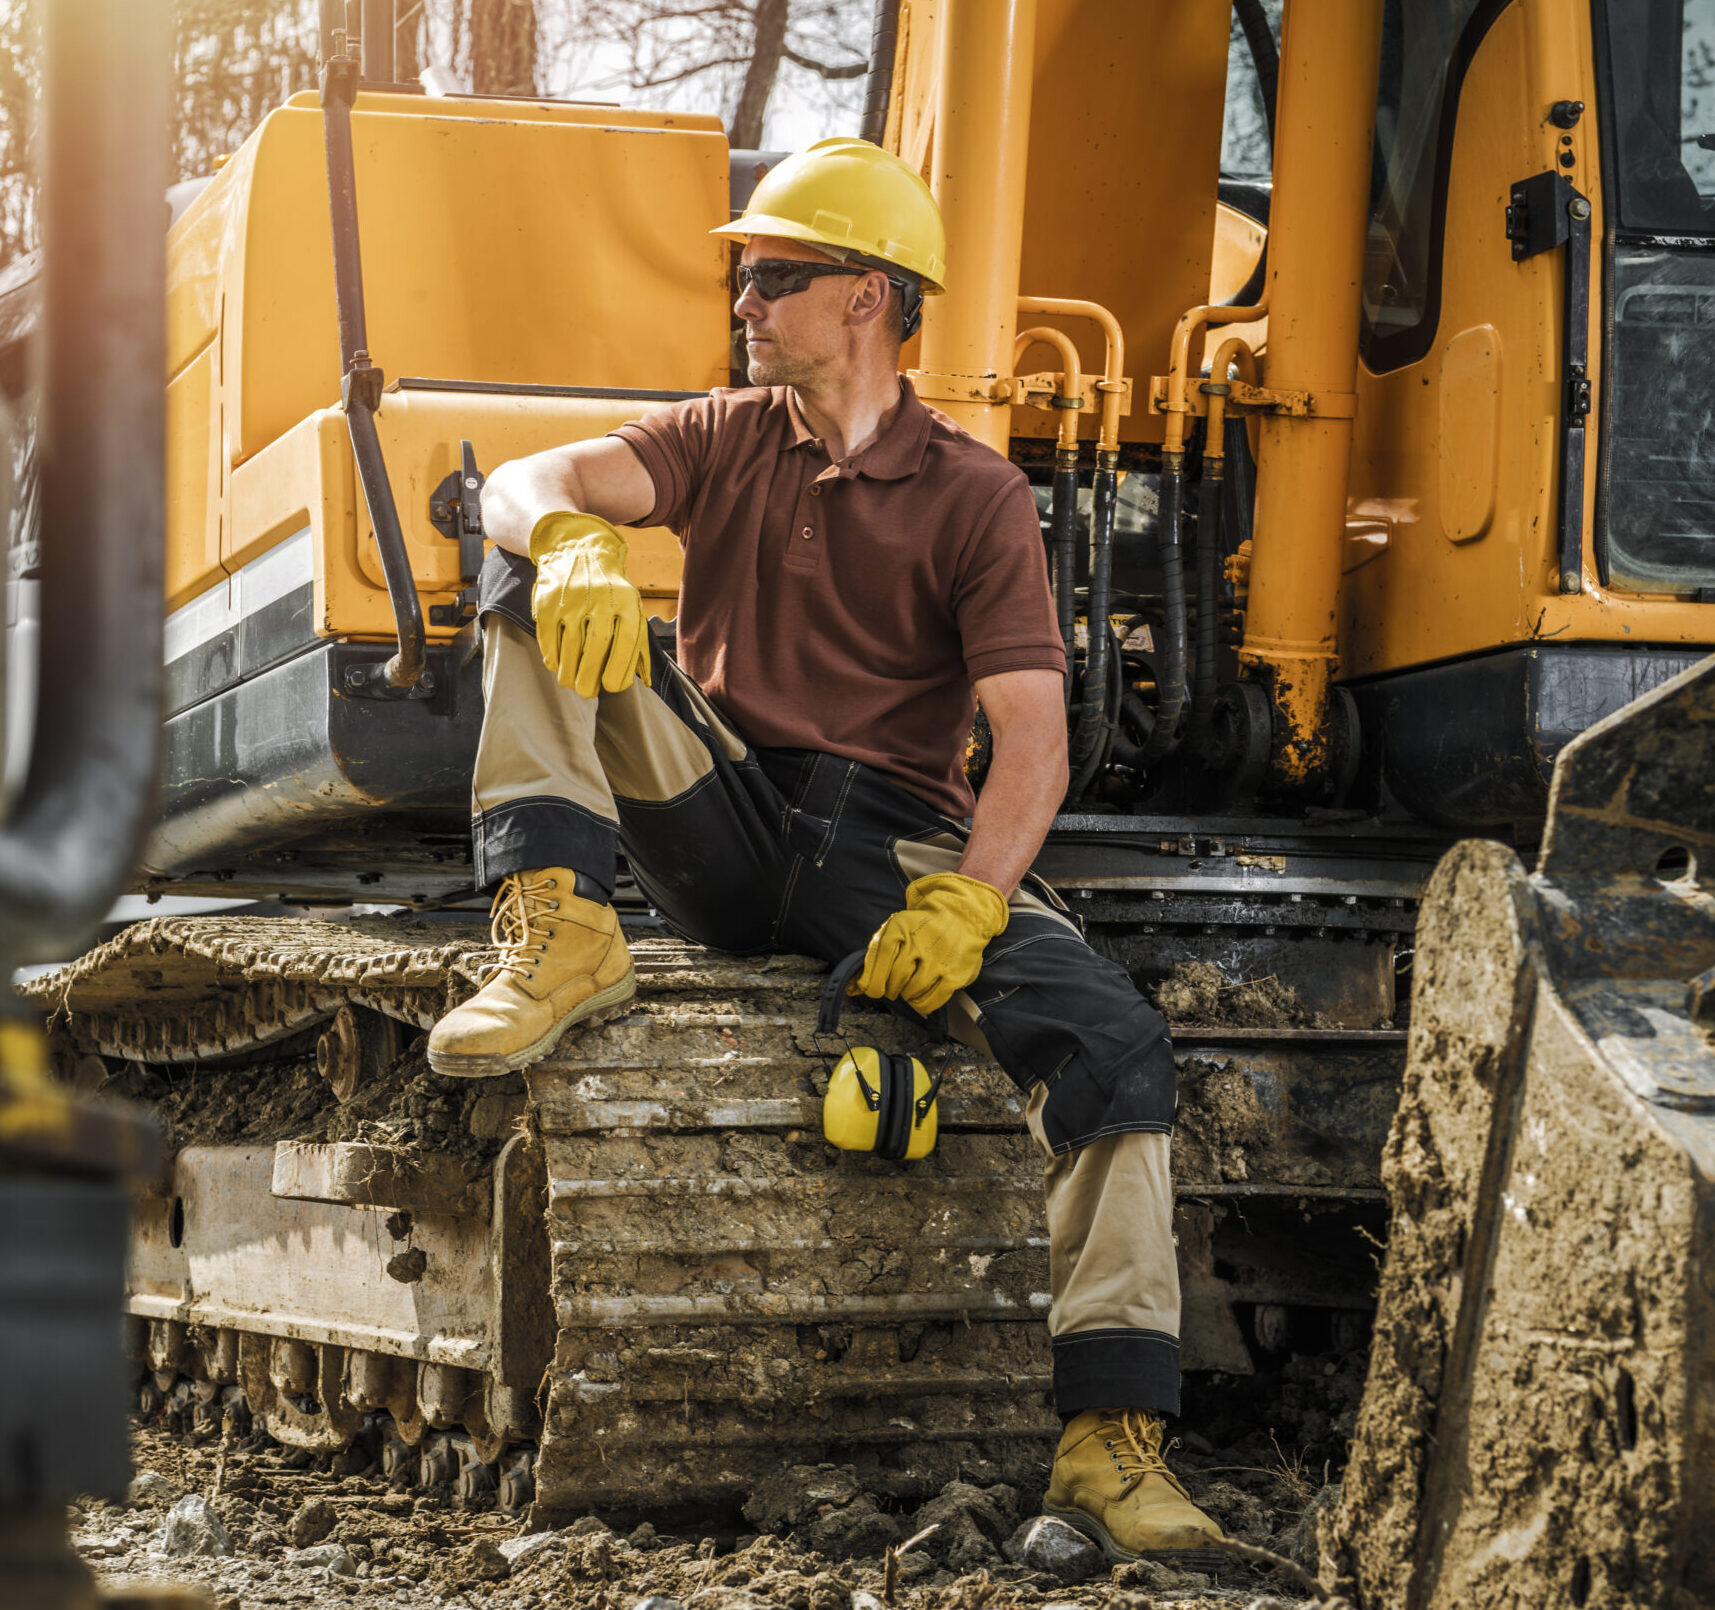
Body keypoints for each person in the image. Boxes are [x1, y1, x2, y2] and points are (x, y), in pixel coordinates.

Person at [426, 137, 1221, 1562]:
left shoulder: (978, 497)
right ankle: (561, 924)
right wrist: (566, 534)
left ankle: (1110, 1446)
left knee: (1112, 1044)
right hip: (720, 805)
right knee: (526, 563)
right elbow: (521, 478)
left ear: (867, 295)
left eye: (772, 274)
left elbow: (1031, 745)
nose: (743, 298)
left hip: (894, 842)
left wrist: (977, 902)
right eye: (744, 274)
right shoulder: (725, 435)